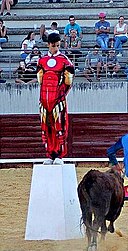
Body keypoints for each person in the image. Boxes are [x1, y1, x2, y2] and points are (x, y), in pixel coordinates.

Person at [37, 33, 75, 165]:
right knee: (47, 127)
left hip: (58, 100)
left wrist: (61, 96)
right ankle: (50, 154)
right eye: (53, 45)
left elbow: (69, 82)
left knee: (60, 126)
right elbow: (40, 81)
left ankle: (59, 155)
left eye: (58, 45)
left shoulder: (65, 61)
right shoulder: (41, 61)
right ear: (48, 44)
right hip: (44, 100)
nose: (56, 48)